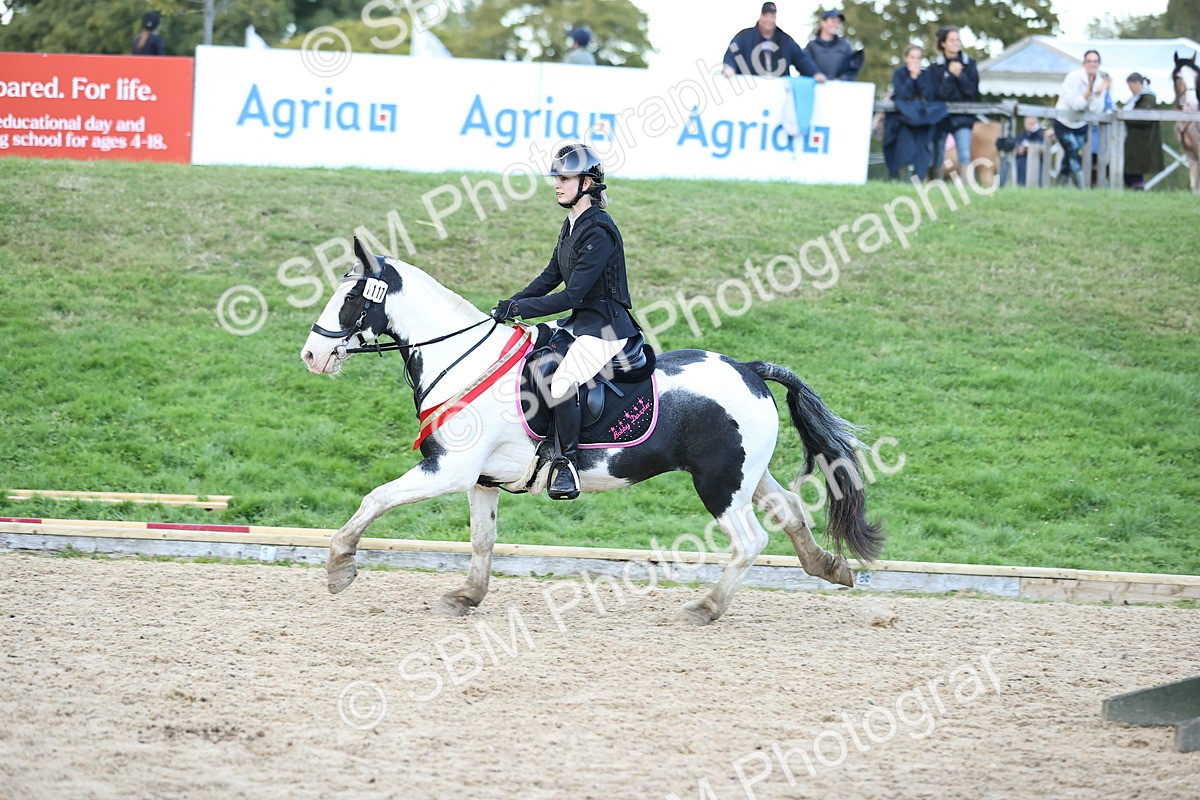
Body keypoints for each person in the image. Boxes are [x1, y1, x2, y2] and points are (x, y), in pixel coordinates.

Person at [490, 144, 639, 501]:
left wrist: (523, 309)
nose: (557, 184)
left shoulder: (599, 230)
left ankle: (566, 464)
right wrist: (513, 302)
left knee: (562, 381)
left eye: (565, 178)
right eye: (556, 177)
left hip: (607, 328)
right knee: (528, 348)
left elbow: (572, 294)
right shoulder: (572, 222)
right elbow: (550, 275)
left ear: (587, 183)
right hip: (581, 321)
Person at [883, 45, 946, 181]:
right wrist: (911, 78)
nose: (915, 61)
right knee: (904, 150)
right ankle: (899, 179)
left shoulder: (926, 75)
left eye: (918, 58)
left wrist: (918, 78)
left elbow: (928, 94)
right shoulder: (899, 73)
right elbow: (901, 94)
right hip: (903, 119)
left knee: (922, 152)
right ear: (906, 58)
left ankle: (919, 180)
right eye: (912, 57)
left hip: (922, 120)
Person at [722, 2, 826, 81]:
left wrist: (815, 73)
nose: (769, 20)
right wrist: (729, 67)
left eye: (772, 16)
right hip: (751, 90)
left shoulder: (785, 40)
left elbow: (801, 59)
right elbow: (732, 54)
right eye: (766, 16)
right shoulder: (744, 36)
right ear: (760, 16)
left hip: (779, 92)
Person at [928, 26, 979, 178]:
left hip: (963, 118)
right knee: (937, 154)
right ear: (943, 43)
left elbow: (972, 93)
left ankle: (967, 187)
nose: (956, 43)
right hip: (941, 118)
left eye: (958, 39)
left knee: (964, 153)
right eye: (952, 40)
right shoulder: (934, 68)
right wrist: (950, 76)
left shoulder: (969, 64)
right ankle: (935, 185)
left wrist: (960, 75)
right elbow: (938, 94)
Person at [1054, 50, 1109, 188]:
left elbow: (1096, 109)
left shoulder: (1100, 82)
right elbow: (1074, 105)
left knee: (1068, 158)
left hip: (1081, 125)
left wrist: (1097, 94)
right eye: (1089, 61)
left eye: (1095, 61)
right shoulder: (1073, 77)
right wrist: (1087, 94)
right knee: (1073, 154)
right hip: (1064, 122)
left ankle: (1058, 188)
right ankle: (1082, 189)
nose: (1092, 64)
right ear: (1084, 63)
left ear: (1099, 64)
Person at [1122, 72, 1163, 190]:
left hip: (1142, 140)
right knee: (1131, 170)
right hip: (1134, 139)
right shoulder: (1137, 98)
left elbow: (1144, 119)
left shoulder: (1147, 98)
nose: (1130, 89)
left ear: (1137, 83)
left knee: (1135, 170)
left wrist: (1126, 120)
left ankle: (1138, 190)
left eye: (1130, 86)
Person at [805, 10, 861, 81]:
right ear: (823, 22)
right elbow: (805, 66)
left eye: (838, 22)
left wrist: (842, 79)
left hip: (839, 88)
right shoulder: (812, 46)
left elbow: (851, 69)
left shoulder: (845, 46)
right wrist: (816, 75)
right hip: (816, 88)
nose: (836, 25)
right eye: (833, 21)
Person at [1012, 116, 1046, 187]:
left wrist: (1026, 148)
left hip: (1035, 160)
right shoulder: (1024, 133)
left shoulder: (1040, 133)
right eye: (1028, 124)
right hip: (1022, 159)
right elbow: (1018, 142)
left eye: (1032, 124)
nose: (1029, 126)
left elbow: (1039, 144)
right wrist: (1019, 148)